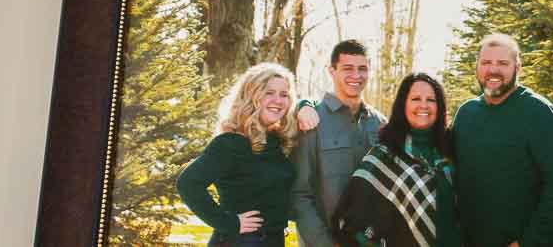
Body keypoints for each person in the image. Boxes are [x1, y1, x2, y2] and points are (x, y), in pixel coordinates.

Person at [450, 32, 553, 247]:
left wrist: (529, 241)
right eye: (486, 62)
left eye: (502, 63)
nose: (493, 70)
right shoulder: (466, 114)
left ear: (518, 67)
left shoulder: (540, 113)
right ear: (477, 67)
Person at [178, 62, 302, 247]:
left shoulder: (275, 142)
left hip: (274, 240)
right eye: (269, 92)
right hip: (243, 241)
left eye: (284, 95)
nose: (278, 100)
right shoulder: (231, 143)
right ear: (251, 95)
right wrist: (228, 223)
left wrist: (306, 105)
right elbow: (188, 184)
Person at [332, 71, 461, 247]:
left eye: (431, 100)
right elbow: (353, 223)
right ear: (403, 105)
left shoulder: (450, 150)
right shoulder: (383, 155)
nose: (424, 105)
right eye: (415, 99)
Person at [293, 38, 387, 247]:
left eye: (362, 69)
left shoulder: (379, 123)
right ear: (332, 71)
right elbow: (300, 194)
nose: (356, 75)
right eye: (347, 68)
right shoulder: (311, 121)